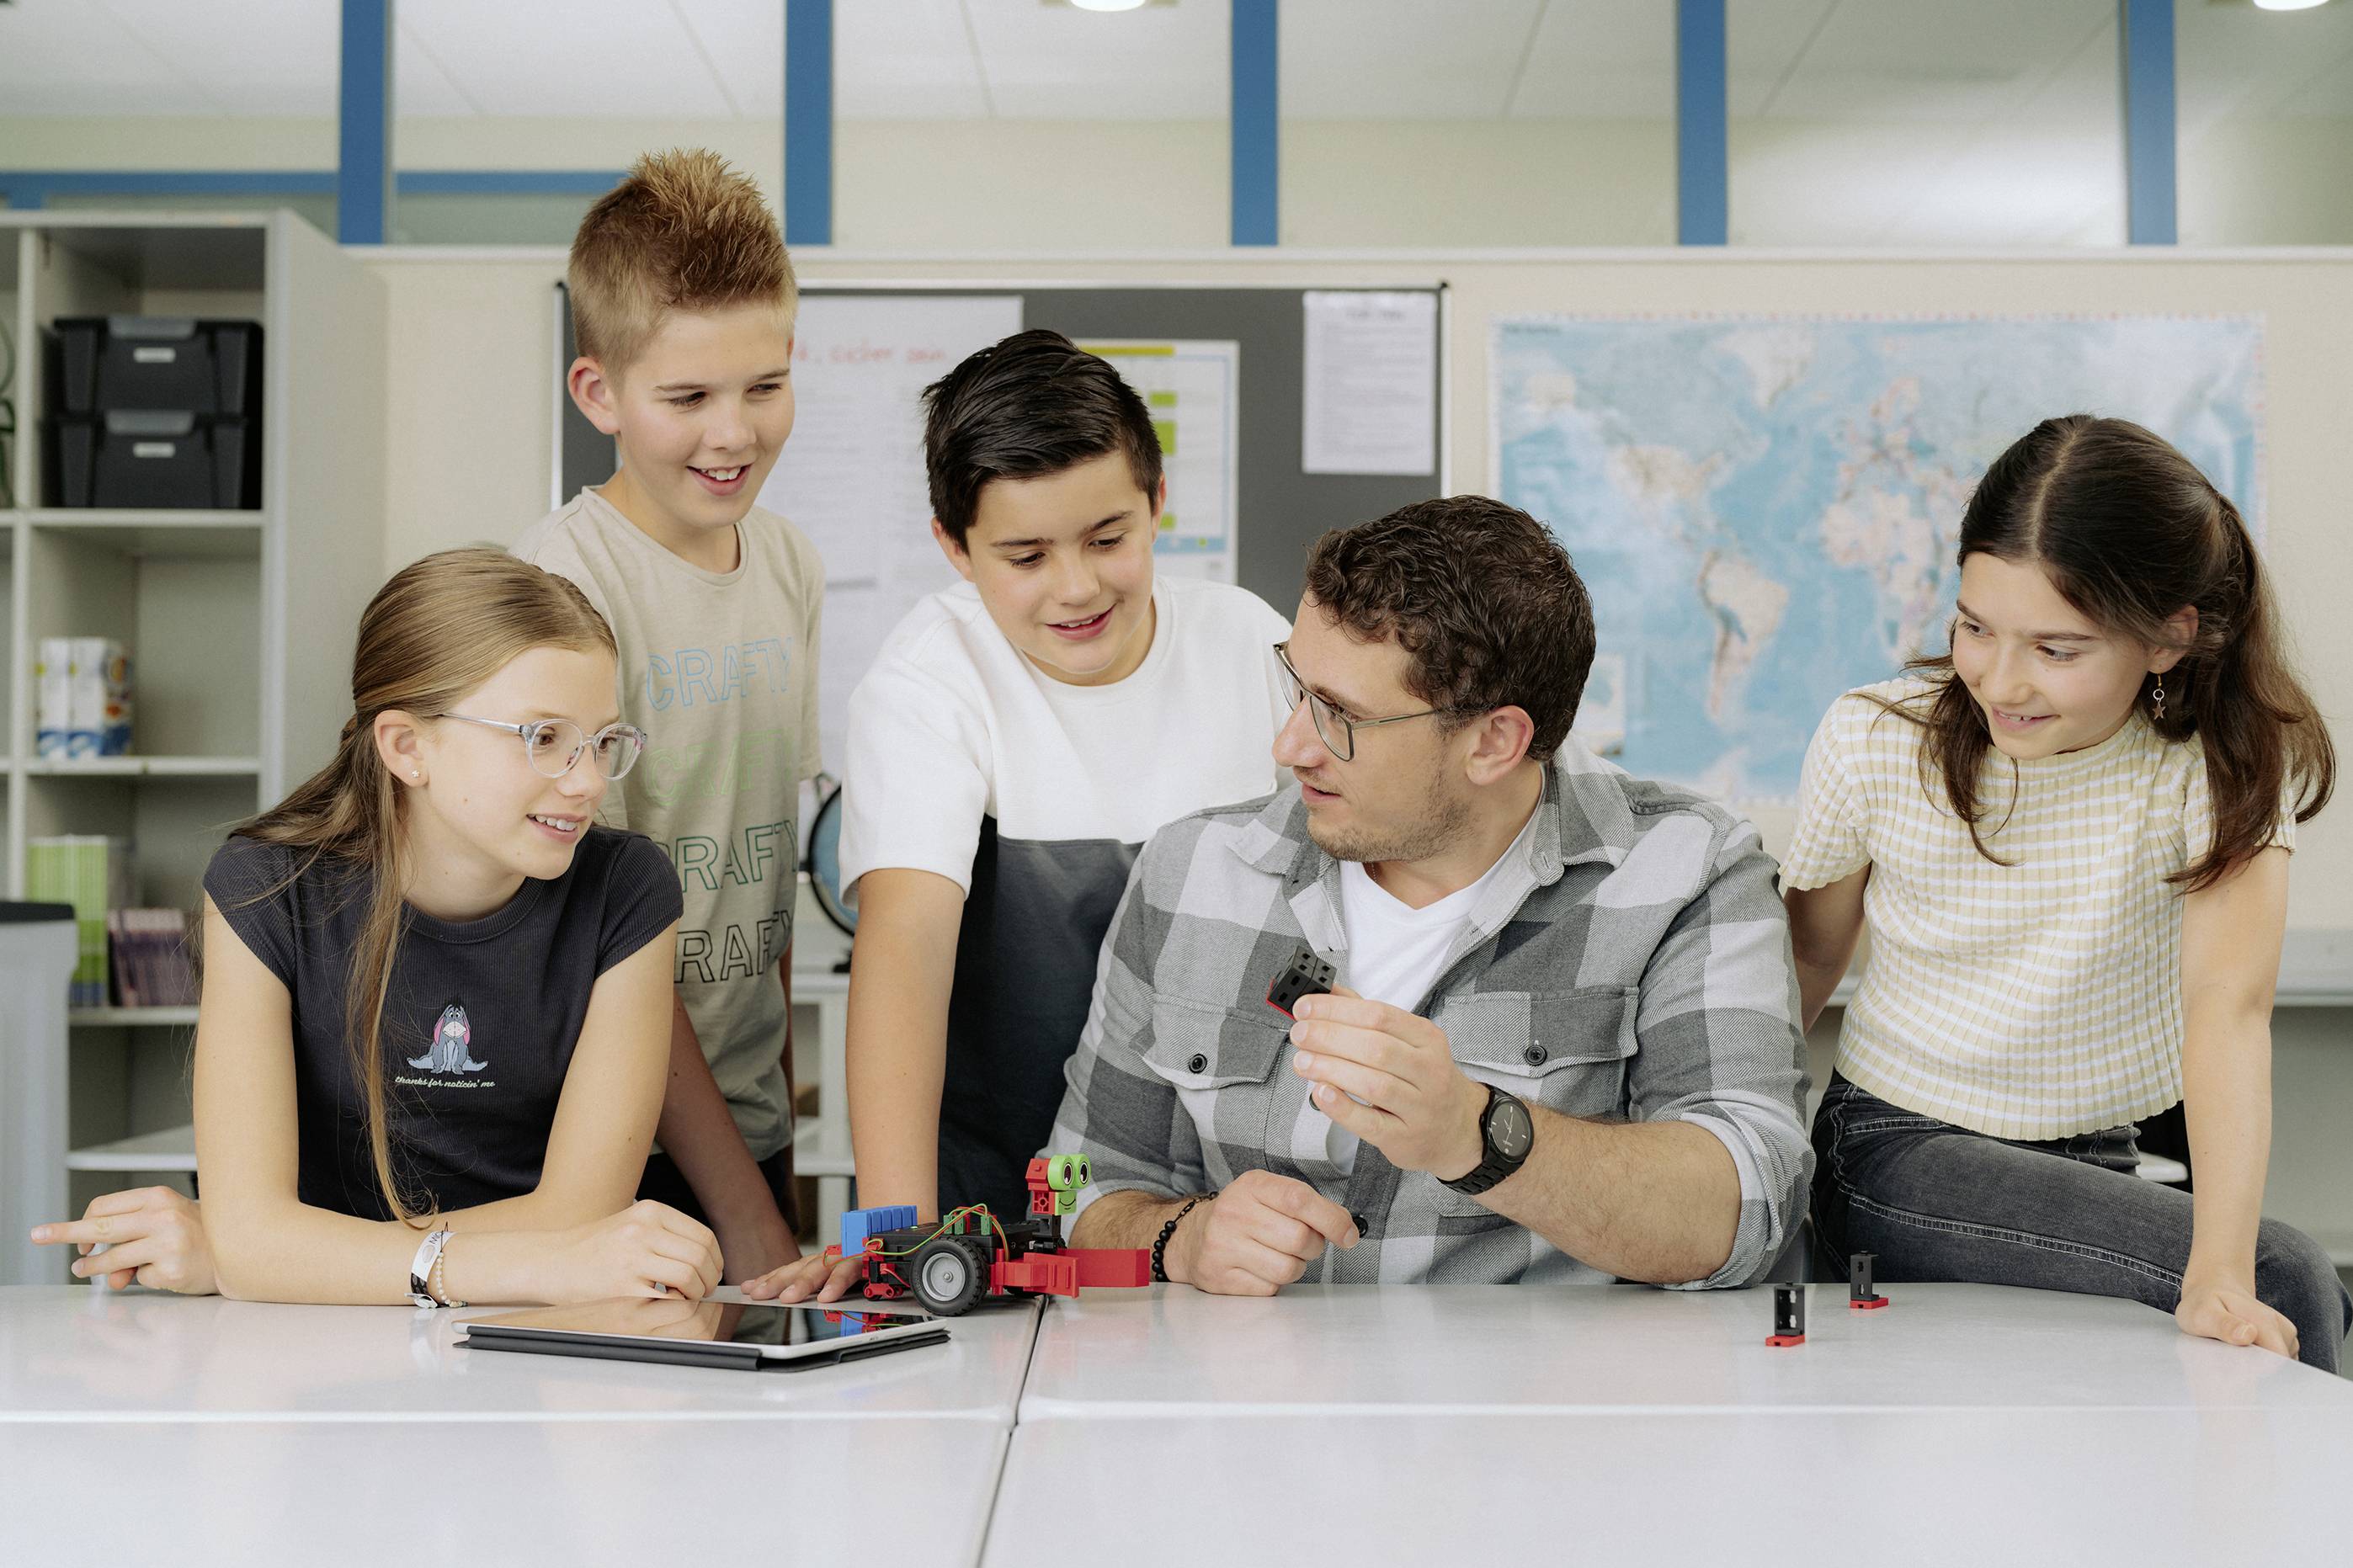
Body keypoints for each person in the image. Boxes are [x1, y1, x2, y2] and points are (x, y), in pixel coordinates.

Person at [994, 497, 1807, 1295]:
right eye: (1297, 687)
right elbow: (1073, 1191)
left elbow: (1748, 1208)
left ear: (1493, 742)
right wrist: (1180, 1238)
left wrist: (1478, 1134)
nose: (1290, 744)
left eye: (1340, 714)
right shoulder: (1192, 870)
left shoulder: (1687, 870)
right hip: (1248, 1380)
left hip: (1540, 1383)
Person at [1781, 415, 2348, 1370]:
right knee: (2290, 1275)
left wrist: (2217, 1271)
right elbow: (1803, 959)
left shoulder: (2214, 770)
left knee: (2264, 1284)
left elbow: (2227, 1010)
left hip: (2098, 1154)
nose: (2000, 682)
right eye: (1974, 627)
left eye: (2055, 649)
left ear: (2167, 638)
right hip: (1890, 1152)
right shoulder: (1872, 737)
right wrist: (1725, 1180)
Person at [35, 550, 718, 1305]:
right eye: (543, 737)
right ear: (406, 747)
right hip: (305, 1342)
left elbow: (578, 1219)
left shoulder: (627, 888)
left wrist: (281, 1255)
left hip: (518, 1332)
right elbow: (257, 1244)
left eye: (602, 740)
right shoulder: (263, 887)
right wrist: (261, 1252)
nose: (587, 780)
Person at [815, 330, 1294, 1232]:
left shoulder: (1251, 645)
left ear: (1157, 502)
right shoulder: (928, 682)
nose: (1075, 587)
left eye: (1107, 538)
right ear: (955, 548)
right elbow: (903, 955)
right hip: (998, 1185)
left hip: (1229, 1192)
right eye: (1025, 557)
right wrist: (893, 1238)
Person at [512, 148, 819, 1283]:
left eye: (763, 386)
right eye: (686, 398)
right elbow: (602, 922)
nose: (731, 434)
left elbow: (767, 859)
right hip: (611, 1132)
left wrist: (771, 1136)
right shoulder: (564, 583)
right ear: (598, 393)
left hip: (746, 1115)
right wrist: (745, 1209)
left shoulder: (787, 564)